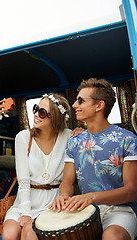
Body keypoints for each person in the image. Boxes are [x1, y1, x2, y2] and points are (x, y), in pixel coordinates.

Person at [50, 78, 137, 240]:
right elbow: (67, 183)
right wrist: (63, 196)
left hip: (121, 211)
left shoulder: (127, 139)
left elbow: (132, 191)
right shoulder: (74, 141)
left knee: (112, 237)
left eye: (80, 101)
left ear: (99, 105)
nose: (74, 105)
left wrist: (92, 197)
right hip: (85, 211)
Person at [1, 93, 72, 240]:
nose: (36, 115)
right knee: (9, 234)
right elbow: (23, 180)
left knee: (31, 232)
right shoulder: (23, 137)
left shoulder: (69, 137)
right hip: (26, 199)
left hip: (53, 201)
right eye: (36, 109)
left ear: (56, 118)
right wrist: (25, 212)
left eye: (42, 112)